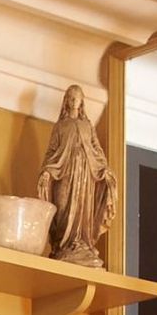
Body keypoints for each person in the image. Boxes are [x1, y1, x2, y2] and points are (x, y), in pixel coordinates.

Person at [36, 84, 116, 266]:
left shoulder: (87, 125)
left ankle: (81, 243)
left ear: (81, 102)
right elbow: (52, 151)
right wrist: (47, 170)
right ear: (66, 101)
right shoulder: (60, 126)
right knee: (63, 206)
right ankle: (63, 245)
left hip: (86, 175)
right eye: (71, 98)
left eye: (77, 98)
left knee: (82, 209)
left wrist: (104, 168)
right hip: (64, 172)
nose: (73, 101)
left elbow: (96, 150)